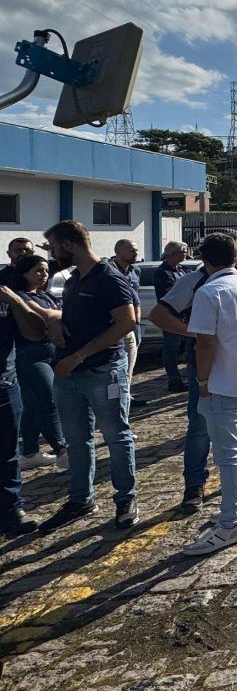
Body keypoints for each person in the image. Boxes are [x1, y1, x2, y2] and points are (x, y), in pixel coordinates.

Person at [37, 220, 139, 534]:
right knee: (77, 440)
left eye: (54, 247)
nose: (51, 253)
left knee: (116, 436)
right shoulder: (73, 279)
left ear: (68, 245)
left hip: (102, 371)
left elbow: (127, 322)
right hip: (68, 374)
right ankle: (80, 499)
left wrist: (81, 355)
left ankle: (126, 499)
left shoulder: (108, 277)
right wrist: (55, 321)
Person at [184, 233, 237, 554]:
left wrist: (203, 382)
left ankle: (228, 523)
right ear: (236, 257)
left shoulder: (210, 292)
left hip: (222, 381)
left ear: (204, 262)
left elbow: (204, 342)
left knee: (228, 452)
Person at [8, 256, 66, 470]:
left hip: (52, 354)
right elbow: (47, 317)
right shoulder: (21, 297)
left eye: (45, 271)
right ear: (24, 273)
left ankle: (30, 452)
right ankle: (62, 449)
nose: (44, 275)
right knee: (48, 400)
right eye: (38, 271)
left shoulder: (45, 294)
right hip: (30, 356)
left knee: (32, 406)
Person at [0, 278, 48, 537]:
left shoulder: (7, 296)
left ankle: (12, 512)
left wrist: (16, 301)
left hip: (5, 387)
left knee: (7, 453)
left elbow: (36, 332)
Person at [153, 241, 191, 393]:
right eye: (183, 251)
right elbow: (175, 292)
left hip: (186, 316)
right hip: (171, 317)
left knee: (189, 348)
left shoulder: (183, 270)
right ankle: (174, 381)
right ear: (173, 253)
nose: (186, 254)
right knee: (171, 350)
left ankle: (189, 376)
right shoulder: (163, 272)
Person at [109, 239, 143, 390]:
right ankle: (120, 391)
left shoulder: (135, 270)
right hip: (116, 322)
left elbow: (135, 294)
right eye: (131, 250)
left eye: (136, 250)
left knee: (131, 358)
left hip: (134, 323)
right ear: (118, 252)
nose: (135, 253)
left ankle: (126, 390)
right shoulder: (109, 270)